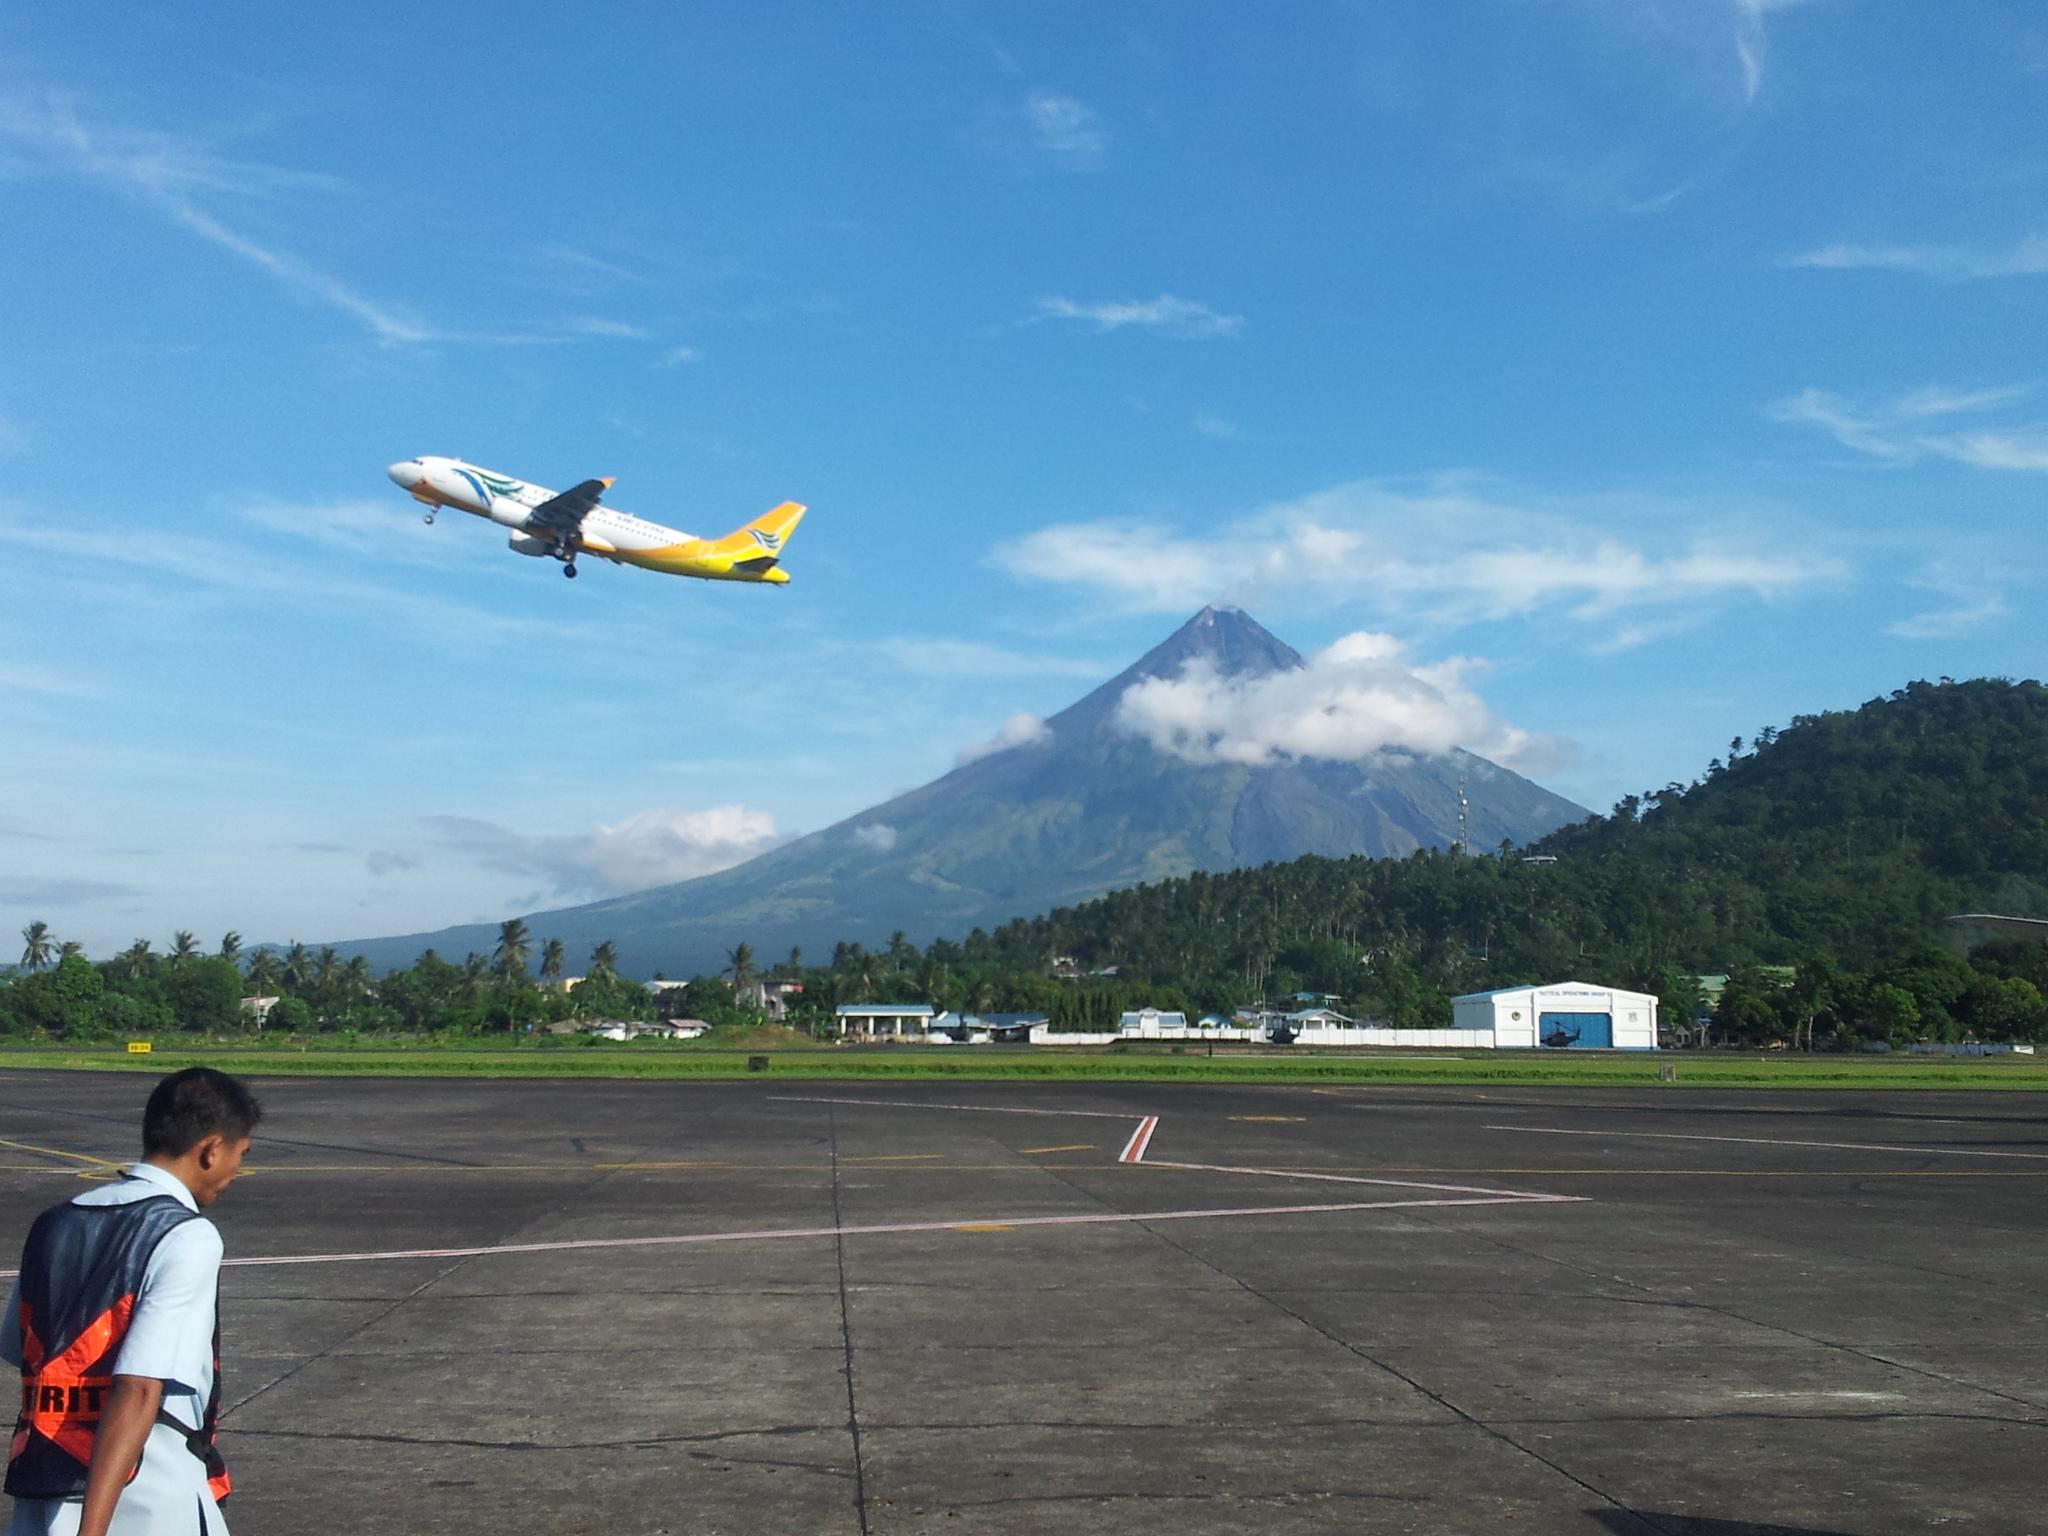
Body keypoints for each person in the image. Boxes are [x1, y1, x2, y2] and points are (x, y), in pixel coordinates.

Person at [3, 1068, 261, 1536]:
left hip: (42, 1501)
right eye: (239, 1156)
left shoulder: (53, 1224)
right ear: (211, 1150)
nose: (234, 1174)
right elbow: (139, 1388)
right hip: (143, 1503)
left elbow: (20, 1351)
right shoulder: (186, 1236)